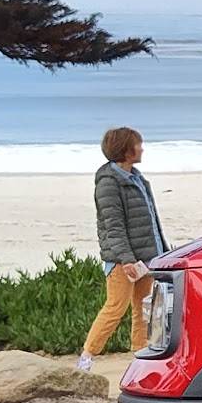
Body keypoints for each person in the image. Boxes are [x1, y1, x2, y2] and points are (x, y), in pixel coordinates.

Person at [77, 126, 167, 372]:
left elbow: (151, 220)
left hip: (145, 256)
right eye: (138, 144)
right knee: (115, 307)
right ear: (126, 150)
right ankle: (86, 357)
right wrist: (126, 259)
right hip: (122, 260)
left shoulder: (137, 178)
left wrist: (162, 251)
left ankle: (140, 356)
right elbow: (113, 226)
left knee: (143, 309)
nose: (142, 148)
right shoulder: (108, 183)